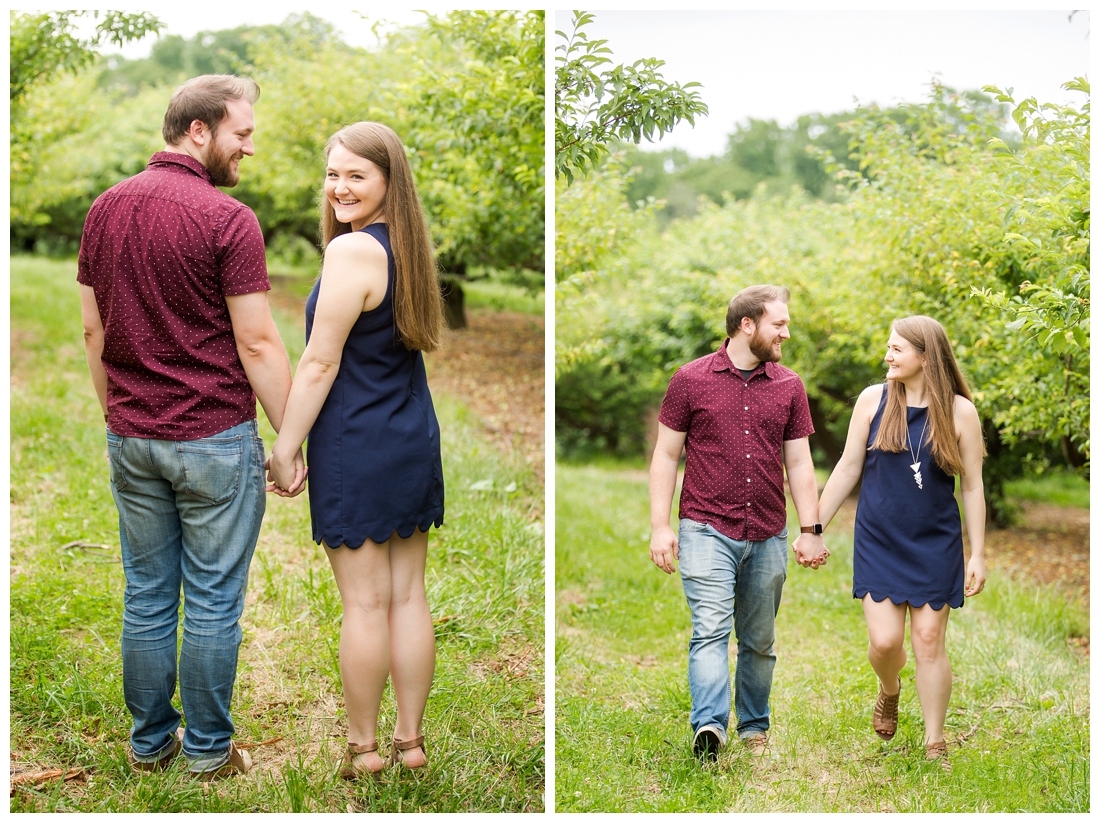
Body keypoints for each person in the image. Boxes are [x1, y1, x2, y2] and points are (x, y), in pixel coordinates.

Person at [79, 74, 305, 779]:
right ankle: (207, 752)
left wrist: (119, 412)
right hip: (212, 439)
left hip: (134, 436)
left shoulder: (104, 210)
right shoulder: (226, 219)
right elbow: (259, 343)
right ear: (199, 131)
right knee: (211, 598)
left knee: (147, 593)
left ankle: (149, 744)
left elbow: (93, 329)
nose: (249, 148)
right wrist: (293, 437)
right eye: (242, 133)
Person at [267, 121, 445, 778]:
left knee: (368, 603)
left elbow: (318, 363)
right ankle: (411, 742)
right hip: (409, 434)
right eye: (332, 174)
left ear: (388, 183)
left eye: (356, 175)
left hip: (357, 440)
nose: (339, 187)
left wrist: (285, 448)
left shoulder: (351, 253)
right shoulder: (407, 248)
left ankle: (365, 749)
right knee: (408, 595)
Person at [649, 284, 829, 762]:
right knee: (709, 628)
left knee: (758, 640)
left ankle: (753, 726)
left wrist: (810, 531)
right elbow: (666, 455)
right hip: (705, 526)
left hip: (768, 531)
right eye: (779, 324)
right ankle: (709, 727)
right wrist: (660, 526)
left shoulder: (789, 385)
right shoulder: (690, 379)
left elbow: (801, 465)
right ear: (747, 325)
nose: (786, 333)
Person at [815, 315, 986, 771]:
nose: (886, 356)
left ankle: (935, 742)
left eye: (896, 349)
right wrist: (813, 528)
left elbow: (972, 486)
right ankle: (889, 691)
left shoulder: (959, 412)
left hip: (935, 542)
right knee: (887, 642)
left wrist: (979, 554)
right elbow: (848, 468)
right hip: (879, 538)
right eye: (888, 347)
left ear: (925, 357)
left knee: (929, 640)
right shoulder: (873, 400)